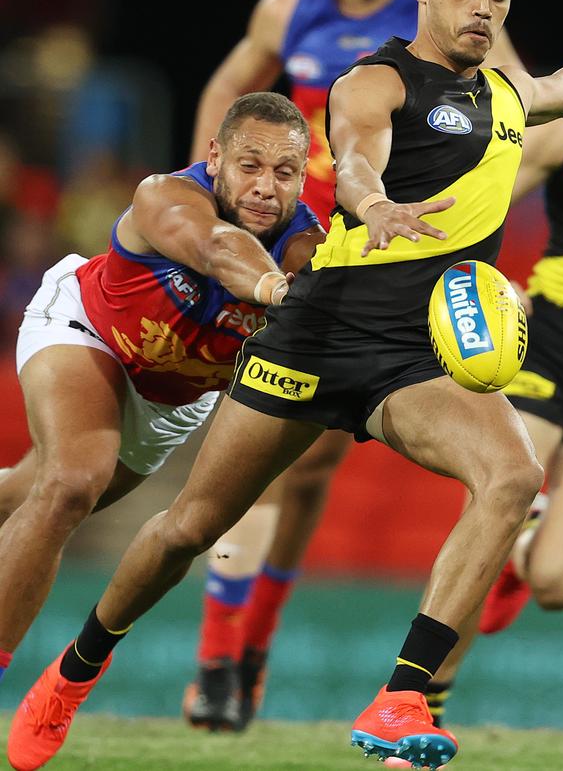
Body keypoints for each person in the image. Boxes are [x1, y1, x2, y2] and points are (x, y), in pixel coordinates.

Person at [9, 0, 563, 770]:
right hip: (316, 336)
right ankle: (74, 670)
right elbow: (353, 154)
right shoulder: (374, 82)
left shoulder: (509, 97)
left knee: (512, 474)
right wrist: (373, 200)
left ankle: (403, 695)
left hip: (413, 359)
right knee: (189, 527)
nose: (483, 8)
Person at [183, 0, 422, 732]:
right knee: (260, 460)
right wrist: (204, 186)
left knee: (311, 468)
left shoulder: (437, 17)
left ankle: (252, 645)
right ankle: (220, 658)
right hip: (284, 262)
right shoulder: (287, 9)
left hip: (376, 263)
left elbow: (516, 114)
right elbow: (228, 86)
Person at [0, 91, 324, 693]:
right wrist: (279, 291)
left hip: (170, 402)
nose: (264, 187)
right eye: (249, 166)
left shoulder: (312, 250)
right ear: (216, 158)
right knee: (71, 483)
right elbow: (216, 248)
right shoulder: (166, 197)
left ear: (304, 178)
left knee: (29, 497)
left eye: (284, 173)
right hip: (86, 328)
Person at [400, 0, 563, 743]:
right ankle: (420, 708)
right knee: (496, 502)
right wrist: (494, 283)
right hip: (550, 347)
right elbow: (485, 197)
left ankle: (524, 558)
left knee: (559, 586)